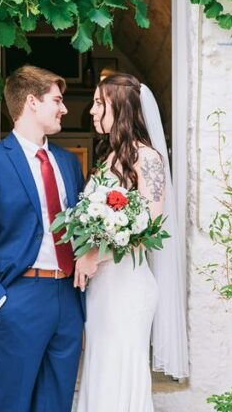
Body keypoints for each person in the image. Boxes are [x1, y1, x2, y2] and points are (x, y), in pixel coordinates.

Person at [0, 64, 85, 412]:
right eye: (57, 100)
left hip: (68, 298)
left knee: (57, 403)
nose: (64, 108)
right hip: (20, 298)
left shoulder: (68, 163)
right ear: (32, 102)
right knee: (12, 404)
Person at [74, 72, 169, 412]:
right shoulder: (109, 159)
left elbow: (149, 228)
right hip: (103, 290)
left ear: (121, 109)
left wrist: (93, 256)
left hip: (128, 287)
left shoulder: (149, 159)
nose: (92, 111)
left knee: (120, 372)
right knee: (100, 372)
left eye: (100, 103)